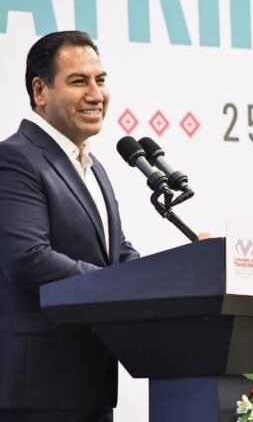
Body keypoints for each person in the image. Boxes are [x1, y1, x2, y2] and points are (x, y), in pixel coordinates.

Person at [0, 31, 140, 422]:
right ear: (40, 91)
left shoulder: (94, 167)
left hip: (93, 384)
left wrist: (180, 273)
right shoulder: (14, 158)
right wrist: (118, 287)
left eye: (100, 80)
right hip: (38, 390)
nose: (96, 95)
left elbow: (118, 253)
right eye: (79, 81)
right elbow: (29, 259)